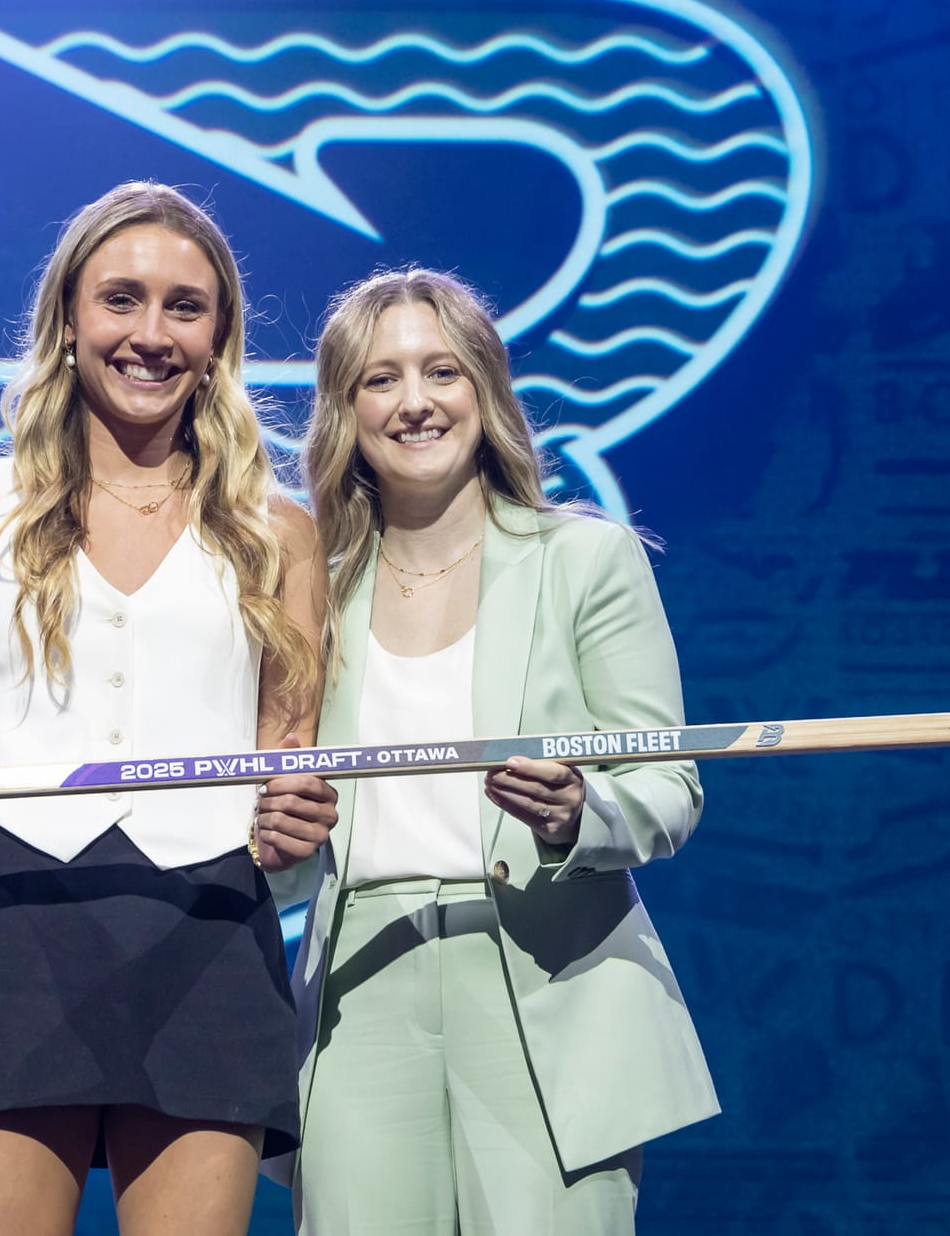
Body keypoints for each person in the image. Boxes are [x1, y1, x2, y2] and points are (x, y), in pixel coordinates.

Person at [0, 182, 338, 1236]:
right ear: (69, 319)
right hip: (19, 928)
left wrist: (297, 817)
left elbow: (291, 764)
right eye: (121, 298)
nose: (150, 333)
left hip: (209, 935)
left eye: (184, 306)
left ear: (217, 338)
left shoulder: (279, 533)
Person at [282, 267, 717, 1234]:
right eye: (381, 378)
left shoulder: (584, 559)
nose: (415, 401)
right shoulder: (311, 590)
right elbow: (288, 842)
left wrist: (579, 815)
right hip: (360, 982)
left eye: (441, 371)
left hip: (550, 972)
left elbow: (668, 785)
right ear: (346, 412)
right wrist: (274, 847)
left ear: (484, 389)